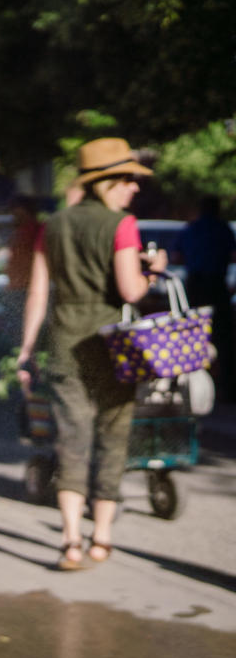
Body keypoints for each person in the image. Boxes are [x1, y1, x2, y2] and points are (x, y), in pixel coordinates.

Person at [17, 138, 168, 570]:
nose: (134, 188)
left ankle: (70, 541)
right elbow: (130, 290)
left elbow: (38, 292)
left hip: (63, 343)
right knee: (113, 437)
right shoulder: (122, 224)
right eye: (128, 180)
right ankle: (101, 538)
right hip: (112, 347)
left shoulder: (54, 225)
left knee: (71, 442)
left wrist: (27, 348)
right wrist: (151, 271)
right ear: (108, 182)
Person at [172, 195, 236, 398]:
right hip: (216, 285)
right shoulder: (222, 228)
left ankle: (191, 388)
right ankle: (226, 389)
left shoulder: (192, 228)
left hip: (196, 285)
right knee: (224, 338)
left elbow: (176, 256)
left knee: (193, 334)